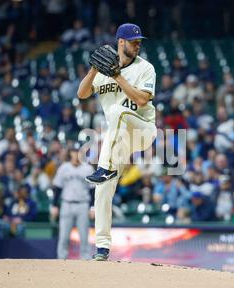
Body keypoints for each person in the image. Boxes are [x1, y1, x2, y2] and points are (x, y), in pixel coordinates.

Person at [77, 23, 157, 261]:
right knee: (102, 190)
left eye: (139, 41)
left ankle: (105, 168)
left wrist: (117, 76)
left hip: (142, 130)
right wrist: (93, 70)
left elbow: (142, 100)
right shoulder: (102, 70)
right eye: (133, 41)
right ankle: (102, 247)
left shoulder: (146, 68)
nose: (137, 44)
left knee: (116, 111)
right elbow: (82, 94)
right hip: (117, 138)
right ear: (120, 42)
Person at [50, 144, 94, 260]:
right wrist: (54, 205)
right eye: (74, 151)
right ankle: (61, 259)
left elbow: (92, 190)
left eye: (78, 151)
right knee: (64, 236)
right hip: (67, 204)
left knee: (84, 236)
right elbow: (57, 187)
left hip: (83, 205)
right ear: (70, 153)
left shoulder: (88, 168)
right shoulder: (64, 167)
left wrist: (92, 207)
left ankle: (86, 259)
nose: (76, 154)